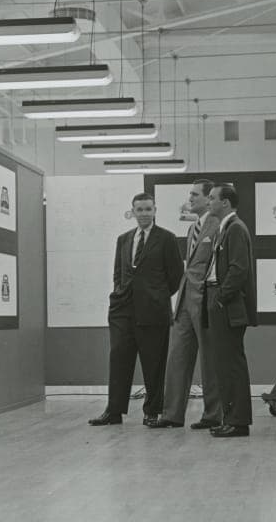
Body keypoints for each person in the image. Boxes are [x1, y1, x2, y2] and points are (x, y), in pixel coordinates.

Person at [89, 191, 184, 426]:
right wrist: (120, 294)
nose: (144, 214)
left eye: (148, 209)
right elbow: (118, 272)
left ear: (155, 211)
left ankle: (152, 411)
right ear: (133, 212)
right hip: (123, 310)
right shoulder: (124, 239)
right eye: (139, 209)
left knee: (153, 364)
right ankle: (114, 411)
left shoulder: (167, 238)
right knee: (119, 359)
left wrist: (156, 296)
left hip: (153, 312)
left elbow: (175, 277)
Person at [146, 180, 221, 430]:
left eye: (194, 194)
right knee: (177, 357)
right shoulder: (193, 228)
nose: (190, 198)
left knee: (210, 360)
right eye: (190, 194)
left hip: (205, 299)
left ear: (209, 198)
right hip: (185, 300)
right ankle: (172, 414)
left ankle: (213, 415)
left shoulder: (218, 224)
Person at [202, 183, 257, 437]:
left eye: (212, 198)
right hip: (220, 301)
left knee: (231, 364)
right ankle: (231, 417)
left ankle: (238, 421)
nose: (208, 202)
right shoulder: (225, 229)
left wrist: (221, 299)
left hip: (227, 304)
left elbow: (238, 269)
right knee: (223, 364)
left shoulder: (235, 228)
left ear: (225, 203)